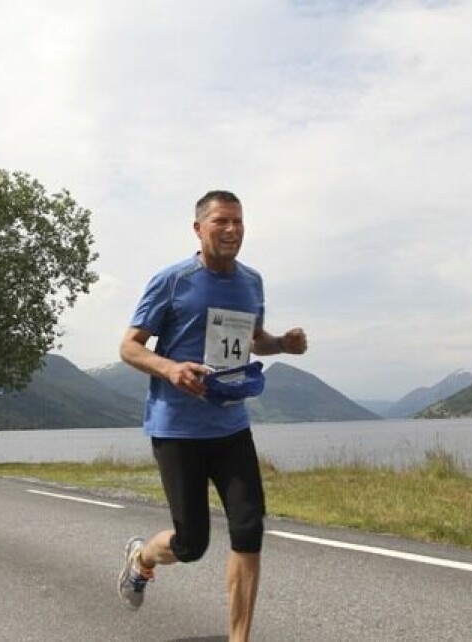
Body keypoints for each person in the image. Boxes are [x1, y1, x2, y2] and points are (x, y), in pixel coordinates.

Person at [117, 190, 308, 641]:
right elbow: (129, 346)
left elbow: (252, 338)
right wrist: (170, 368)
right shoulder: (173, 281)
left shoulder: (252, 282)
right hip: (178, 429)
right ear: (198, 228)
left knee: (247, 528)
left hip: (231, 425)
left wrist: (281, 344)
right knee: (191, 544)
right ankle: (142, 558)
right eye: (222, 221)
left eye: (239, 221)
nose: (232, 230)